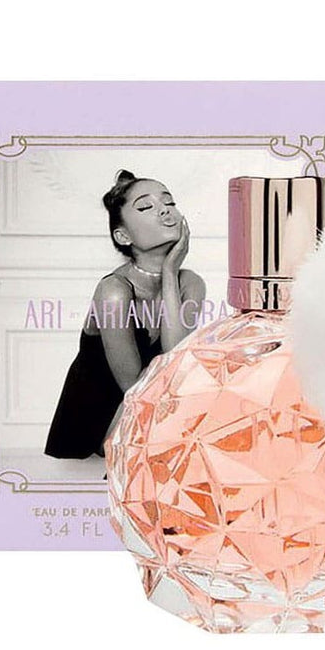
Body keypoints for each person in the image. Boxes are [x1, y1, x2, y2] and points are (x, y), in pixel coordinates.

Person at [45, 170, 206, 458]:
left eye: (169, 202)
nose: (165, 210)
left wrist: (170, 272)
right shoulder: (114, 291)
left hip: (147, 417)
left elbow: (175, 361)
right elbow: (134, 388)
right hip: (99, 423)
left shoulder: (190, 283)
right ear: (123, 236)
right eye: (145, 207)